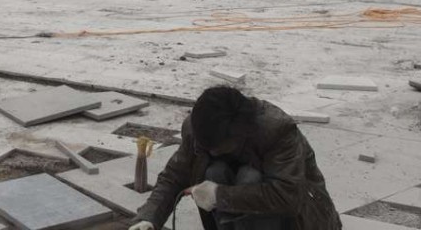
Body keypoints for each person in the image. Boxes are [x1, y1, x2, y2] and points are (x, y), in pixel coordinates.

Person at [129, 86, 341, 230]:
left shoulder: (277, 131)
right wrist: (148, 218)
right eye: (206, 146)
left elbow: (287, 194)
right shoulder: (197, 128)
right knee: (214, 171)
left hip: (294, 220)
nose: (211, 152)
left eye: (217, 147)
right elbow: (175, 175)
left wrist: (219, 195)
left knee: (249, 177)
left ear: (239, 133)